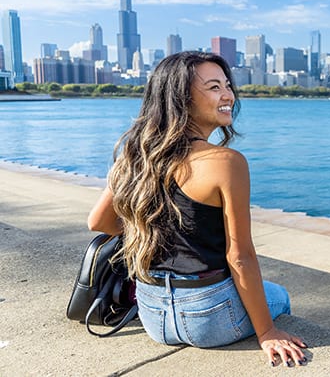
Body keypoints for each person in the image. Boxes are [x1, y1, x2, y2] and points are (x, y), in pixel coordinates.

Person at [87, 51, 306, 367]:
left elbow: (99, 221)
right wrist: (268, 331)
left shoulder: (137, 154)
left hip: (153, 315)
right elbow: (240, 257)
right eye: (214, 87)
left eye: (228, 85)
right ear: (182, 98)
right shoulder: (226, 162)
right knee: (280, 296)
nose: (228, 95)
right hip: (209, 318)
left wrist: (149, 224)